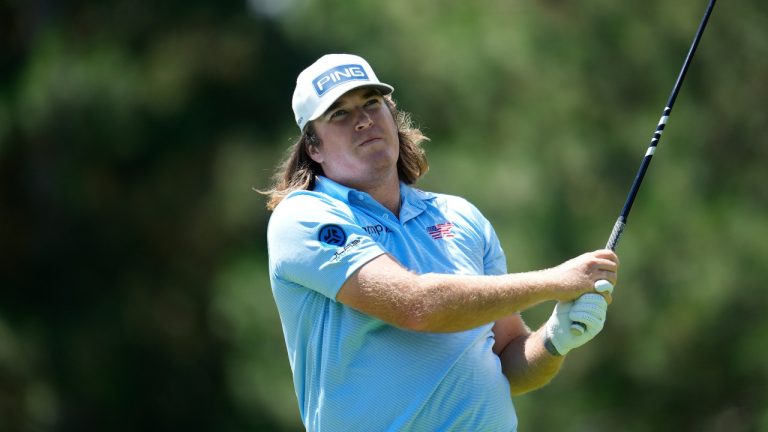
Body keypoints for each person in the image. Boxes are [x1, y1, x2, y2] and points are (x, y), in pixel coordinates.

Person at [263, 53, 619, 431]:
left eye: (372, 103)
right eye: (339, 114)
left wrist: (555, 338)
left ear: (391, 113)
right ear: (314, 147)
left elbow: (509, 361)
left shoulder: (460, 216)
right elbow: (416, 306)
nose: (364, 120)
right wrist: (555, 282)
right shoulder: (303, 217)